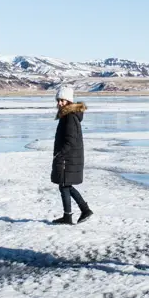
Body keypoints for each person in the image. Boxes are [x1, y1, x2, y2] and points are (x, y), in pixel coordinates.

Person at [51, 85, 93, 225]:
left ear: (69, 101)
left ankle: (69, 216)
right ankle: (83, 210)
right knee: (66, 185)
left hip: (68, 158)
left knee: (64, 185)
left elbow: (70, 140)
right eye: (58, 100)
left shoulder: (69, 117)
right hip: (69, 157)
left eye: (62, 100)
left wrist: (60, 155)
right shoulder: (67, 115)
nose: (59, 103)